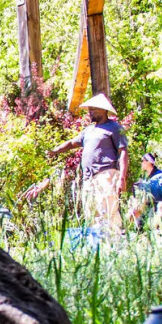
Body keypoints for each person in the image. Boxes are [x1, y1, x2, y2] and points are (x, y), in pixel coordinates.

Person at [47, 92, 128, 233]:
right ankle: (98, 247)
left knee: (107, 212)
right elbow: (72, 143)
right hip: (89, 178)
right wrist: (55, 151)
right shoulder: (88, 130)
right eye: (89, 109)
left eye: (93, 109)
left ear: (102, 110)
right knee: (92, 213)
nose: (89, 112)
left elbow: (123, 152)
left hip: (106, 175)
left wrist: (122, 178)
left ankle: (113, 244)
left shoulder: (114, 128)